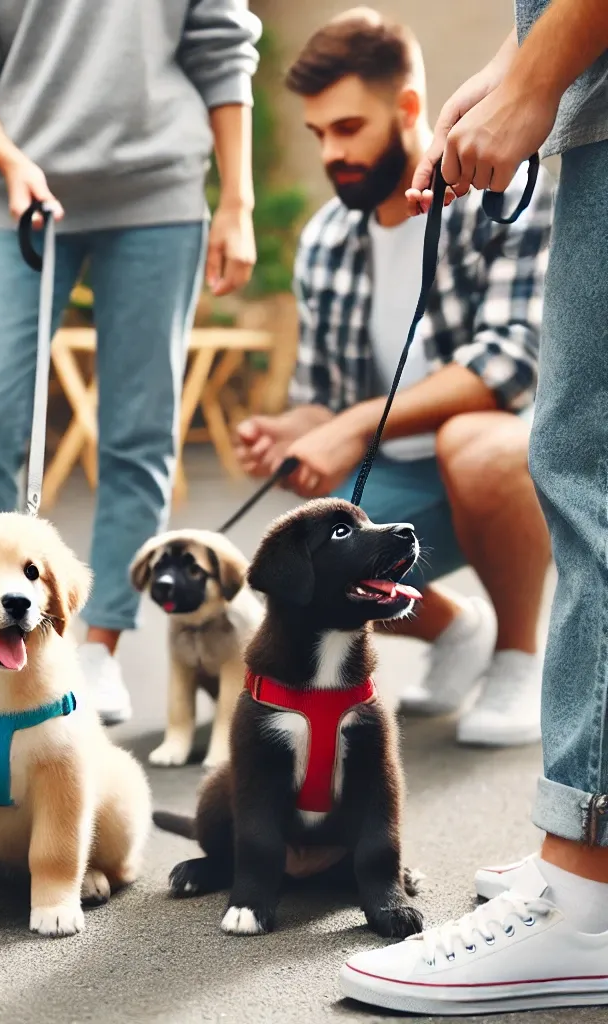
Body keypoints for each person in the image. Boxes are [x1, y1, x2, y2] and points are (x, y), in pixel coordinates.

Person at [337, 1, 608, 1014]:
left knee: (587, 461)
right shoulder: (330, 236)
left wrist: (536, 79)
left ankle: (585, 893)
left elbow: (501, 365)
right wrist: (515, 61)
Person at [0, 0, 261, 725]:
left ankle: (93, 646)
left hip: (159, 191)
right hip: (20, 187)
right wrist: (8, 158)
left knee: (138, 430)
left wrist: (237, 200)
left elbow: (222, 49)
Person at [233, 9, 555, 748]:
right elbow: (324, 395)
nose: (330, 153)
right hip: (400, 477)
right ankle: (454, 629)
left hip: (509, 463)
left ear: (409, 108)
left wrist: (347, 428)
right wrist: (291, 432)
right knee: (310, 529)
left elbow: (510, 362)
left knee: (476, 443)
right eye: (318, 135)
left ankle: (517, 653)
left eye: (347, 128)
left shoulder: (504, 200)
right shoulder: (325, 238)